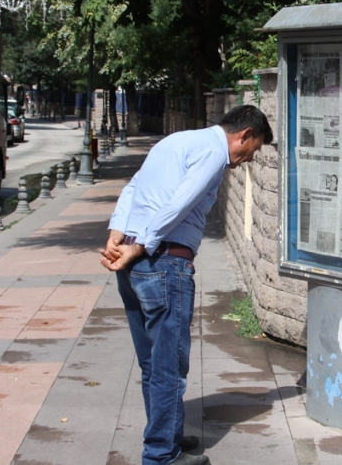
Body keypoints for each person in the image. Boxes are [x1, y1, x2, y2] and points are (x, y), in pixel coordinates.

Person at [100, 104, 273, 465]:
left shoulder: (176, 142)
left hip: (135, 264)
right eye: (251, 151)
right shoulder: (213, 153)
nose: (246, 161)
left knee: (153, 364)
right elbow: (177, 204)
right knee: (168, 367)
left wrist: (117, 234)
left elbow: (134, 187)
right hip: (163, 262)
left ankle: (170, 436)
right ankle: (161, 455)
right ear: (245, 134)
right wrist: (138, 246)